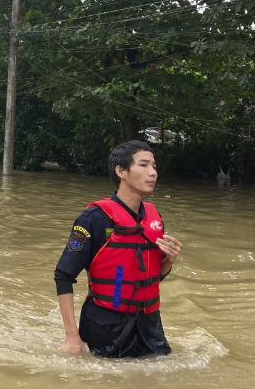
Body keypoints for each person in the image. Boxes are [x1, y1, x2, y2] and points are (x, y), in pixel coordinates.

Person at [54, 140, 182, 358]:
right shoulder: (94, 218)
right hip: (105, 325)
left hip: (150, 327)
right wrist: (71, 336)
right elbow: (63, 275)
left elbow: (149, 277)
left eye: (154, 167)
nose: (153, 173)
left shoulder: (154, 219)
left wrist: (168, 262)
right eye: (144, 165)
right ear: (121, 171)